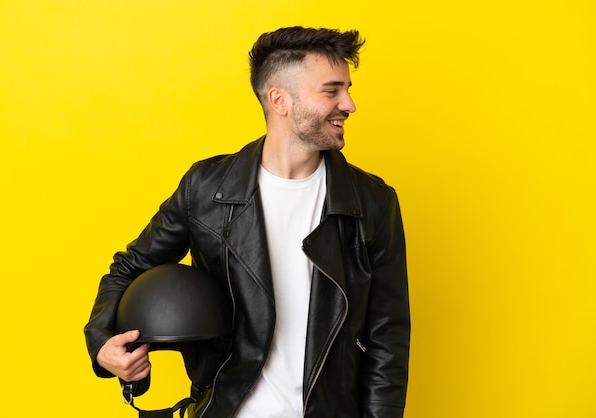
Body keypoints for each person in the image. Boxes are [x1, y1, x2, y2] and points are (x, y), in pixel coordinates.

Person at [84, 26, 410, 418]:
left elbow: (387, 335)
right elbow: (130, 268)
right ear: (280, 100)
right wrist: (102, 342)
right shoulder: (205, 189)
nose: (350, 104)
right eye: (332, 90)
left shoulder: (371, 202)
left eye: (347, 89)